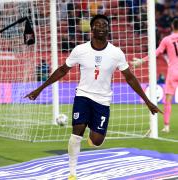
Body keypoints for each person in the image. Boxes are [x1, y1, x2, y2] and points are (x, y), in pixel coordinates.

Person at [24, 14, 162, 180]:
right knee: (77, 132)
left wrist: (147, 102)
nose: (101, 28)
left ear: (108, 29)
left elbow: (130, 77)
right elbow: (62, 70)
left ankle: (92, 135)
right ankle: (72, 173)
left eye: (104, 25)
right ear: (92, 28)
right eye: (97, 25)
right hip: (83, 95)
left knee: (97, 140)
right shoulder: (80, 50)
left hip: (103, 100)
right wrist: (40, 89)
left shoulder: (116, 53)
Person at [131, 17, 178, 133]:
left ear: (172, 26)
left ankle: (166, 126)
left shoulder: (167, 39)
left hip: (173, 71)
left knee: (168, 100)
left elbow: (156, 53)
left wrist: (141, 61)